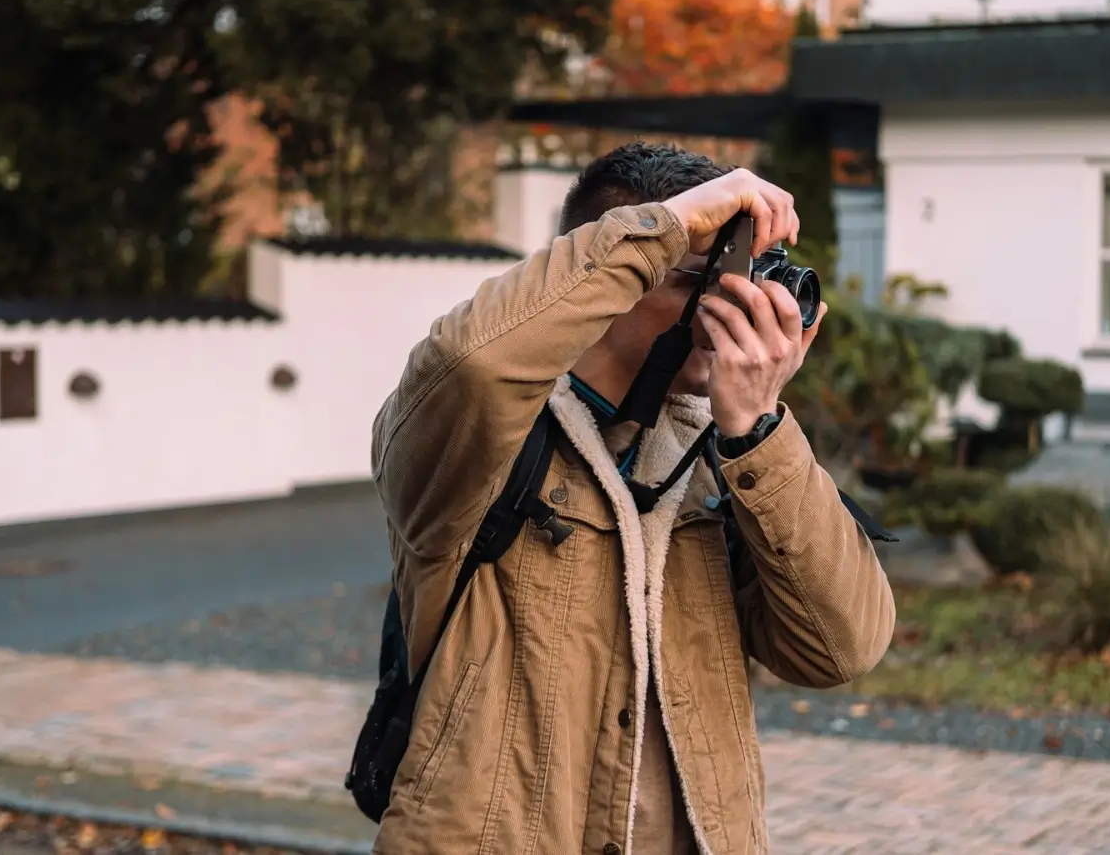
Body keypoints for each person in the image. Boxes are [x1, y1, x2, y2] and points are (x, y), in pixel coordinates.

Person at [369, 142, 895, 855]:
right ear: (612, 280)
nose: (738, 304)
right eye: (706, 278)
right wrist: (669, 228)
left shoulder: (727, 456)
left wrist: (757, 430)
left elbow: (842, 648)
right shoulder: (479, 444)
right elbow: (472, 366)